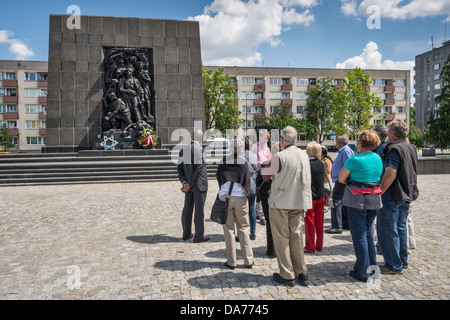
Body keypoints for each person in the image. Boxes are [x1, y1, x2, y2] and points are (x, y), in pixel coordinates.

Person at [262, 126, 312, 287]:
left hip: (281, 200)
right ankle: (301, 271)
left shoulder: (279, 156)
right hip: (298, 199)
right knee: (296, 235)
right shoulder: (304, 154)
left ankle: (287, 273)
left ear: (282, 141)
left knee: (281, 237)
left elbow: (265, 175)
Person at [333, 130, 383, 282]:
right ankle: (373, 268)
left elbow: (341, 179)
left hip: (357, 200)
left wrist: (336, 197)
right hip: (374, 199)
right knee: (368, 233)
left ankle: (362, 272)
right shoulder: (378, 158)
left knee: (359, 236)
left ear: (360, 142)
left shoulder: (354, 160)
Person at [378, 120, 419, 275]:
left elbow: (390, 173)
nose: (388, 133)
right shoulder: (411, 147)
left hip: (393, 194)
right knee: (401, 228)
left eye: (389, 131)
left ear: (394, 133)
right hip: (407, 193)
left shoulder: (394, 149)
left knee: (389, 229)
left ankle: (394, 265)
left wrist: (379, 192)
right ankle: (402, 261)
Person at [216, 140, 254, 269]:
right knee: (243, 228)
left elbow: (218, 177)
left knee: (228, 229)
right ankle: (248, 260)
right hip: (240, 197)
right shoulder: (243, 163)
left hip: (225, 196)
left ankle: (231, 261)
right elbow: (247, 181)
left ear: (230, 149)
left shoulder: (223, 162)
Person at [177, 129, 209, 243]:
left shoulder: (182, 150)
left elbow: (179, 168)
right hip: (199, 185)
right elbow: (199, 168)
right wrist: (190, 184)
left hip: (188, 185)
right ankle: (198, 236)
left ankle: (186, 234)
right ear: (200, 138)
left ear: (191, 137)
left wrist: (185, 182)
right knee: (199, 211)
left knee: (187, 208)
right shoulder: (200, 150)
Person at [326, 136, 354, 234]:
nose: (335, 144)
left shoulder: (345, 151)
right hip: (341, 179)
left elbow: (349, 165)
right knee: (342, 201)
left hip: (342, 180)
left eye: (336, 142)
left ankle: (337, 226)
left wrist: (343, 179)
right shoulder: (344, 151)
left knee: (336, 201)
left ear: (339, 143)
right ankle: (344, 223)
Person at [304, 142, 327, 254]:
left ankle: (310, 246)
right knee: (319, 222)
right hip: (321, 195)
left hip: (310, 197)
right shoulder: (322, 163)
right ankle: (319, 245)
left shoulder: (307, 164)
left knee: (309, 222)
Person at [251, 129, 271, 226]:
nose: (266, 140)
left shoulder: (267, 148)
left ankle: (261, 213)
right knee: (258, 193)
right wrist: (259, 163)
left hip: (266, 172)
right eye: (264, 138)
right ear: (260, 137)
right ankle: (259, 213)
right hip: (257, 172)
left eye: (267, 138)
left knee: (264, 193)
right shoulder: (255, 147)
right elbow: (251, 159)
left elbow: (269, 158)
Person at [240, 139, 259, 240]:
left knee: (242, 210)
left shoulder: (240, 157)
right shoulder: (255, 156)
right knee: (252, 208)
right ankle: (253, 232)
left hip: (243, 184)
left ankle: (242, 232)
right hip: (253, 184)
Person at [320, 145, 333, 212]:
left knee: (326, 194)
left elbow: (328, 171)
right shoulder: (321, 160)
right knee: (323, 194)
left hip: (326, 180)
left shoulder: (327, 161)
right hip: (322, 180)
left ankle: (326, 207)